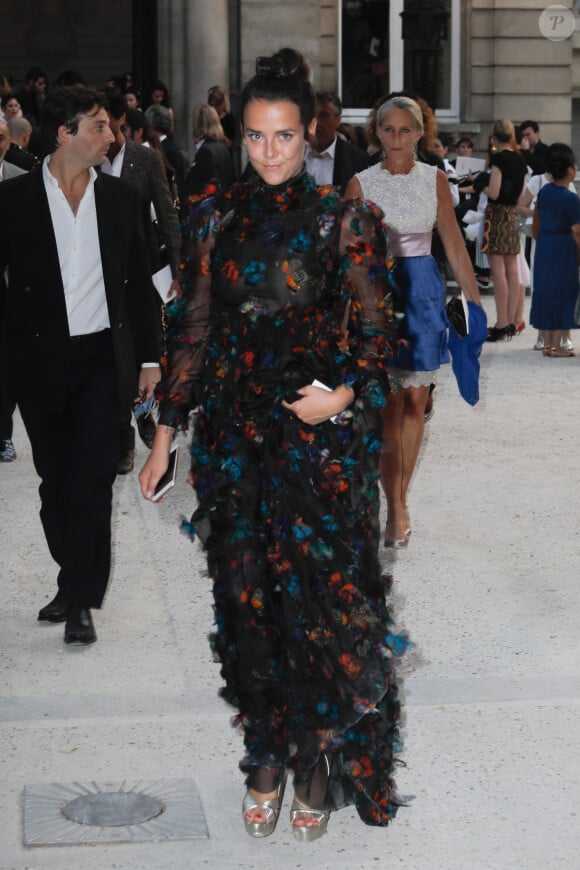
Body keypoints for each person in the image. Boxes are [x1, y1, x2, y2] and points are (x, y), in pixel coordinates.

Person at [140, 47, 408, 840]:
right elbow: (189, 330)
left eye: (284, 137)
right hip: (233, 448)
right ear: (239, 134)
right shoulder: (213, 218)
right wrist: (164, 438)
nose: (268, 153)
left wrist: (348, 393)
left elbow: (376, 331)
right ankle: (265, 753)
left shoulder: (342, 221)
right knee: (248, 605)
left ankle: (318, 760)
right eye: (255, 137)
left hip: (319, 450)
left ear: (310, 133)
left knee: (318, 609)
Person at [0, 85, 161, 645]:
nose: (111, 137)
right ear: (65, 133)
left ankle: (82, 602)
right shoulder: (13, 201)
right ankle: (72, 578)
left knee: (93, 479)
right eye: (97, 126)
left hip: (101, 359)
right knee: (55, 482)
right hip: (39, 360)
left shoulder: (121, 200)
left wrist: (149, 359)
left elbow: (140, 286)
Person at [345, 95, 482, 548]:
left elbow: (454, 246)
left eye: (407, 130)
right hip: (379, 300)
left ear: (421, 133)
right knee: (388, 405)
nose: (398, 138)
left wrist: (474, 300)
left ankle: (399, 497)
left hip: (423, 291)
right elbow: (345, 258)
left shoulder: (435, 180)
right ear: (377, 134)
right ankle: (396, 507)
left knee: (416, 400)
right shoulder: (359, 184)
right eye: (389, 130)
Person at [102, 92, 181, 472]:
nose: (102, 130)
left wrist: (179, 270)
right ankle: (122, 436)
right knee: (114, 352)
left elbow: (167, 213)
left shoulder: (145, 158)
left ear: (120, 120)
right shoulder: (89, 160)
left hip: (143, 265)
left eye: (106, 121)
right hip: (101, 270)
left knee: (144, 347)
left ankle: (144, 412)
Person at [478, 119, 527, 341]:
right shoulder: (520, 159)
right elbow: (521, 193)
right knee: (513, 271)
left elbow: (495, 192)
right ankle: (513, 322)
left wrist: (480, 184)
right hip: (513, 216)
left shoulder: (498, 159)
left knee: (498, 273)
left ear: (495, 136)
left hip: (496, 216)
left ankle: (502, 322)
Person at [530, 144, 580, 357]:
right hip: (563, 248)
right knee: (564, 293)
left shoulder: (544, 191)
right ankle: (558, 345)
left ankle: (548, 344)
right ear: (570, 170)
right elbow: (577, 231)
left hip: (544, 244)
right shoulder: (571, 198)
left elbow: (536, 220)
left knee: (547, 292)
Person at [0, 119, 27, 463]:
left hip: (10, 289)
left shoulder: (20, 179)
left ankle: (4, 435)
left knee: (6, 365)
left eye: (2, 137)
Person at [305, 91, 369, 193]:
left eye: (323, 115)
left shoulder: (356, 160)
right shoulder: (290, 155)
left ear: (338, 120)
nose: (316, 122)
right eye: (311, 115)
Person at [183, 103, 235, 204]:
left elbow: (208, 191)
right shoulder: (221, 147)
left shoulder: (206, 152)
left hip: (210, 214)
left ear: (198, 124)